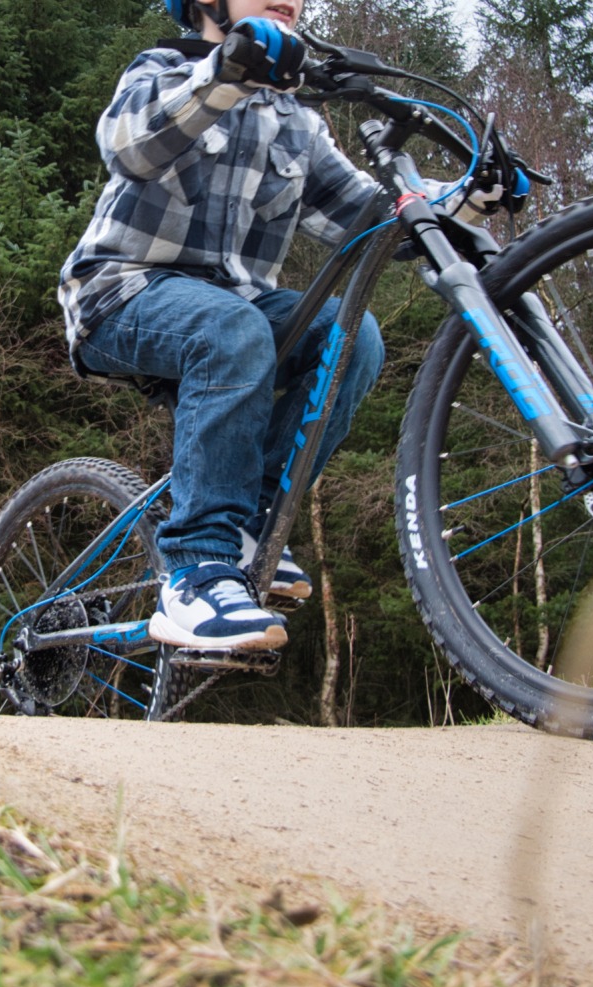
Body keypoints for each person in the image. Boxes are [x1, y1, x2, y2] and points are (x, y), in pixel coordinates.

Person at [58, 0, 387, 652]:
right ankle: (196, 571)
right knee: (230, 326)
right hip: (118, 295)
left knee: (351, 334)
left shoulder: (297, 123)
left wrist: (462, 196)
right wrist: (225, 75)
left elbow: (368, 220)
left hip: (234, 313)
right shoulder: (163, 68)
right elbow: (127, 147)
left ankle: (249, 528)